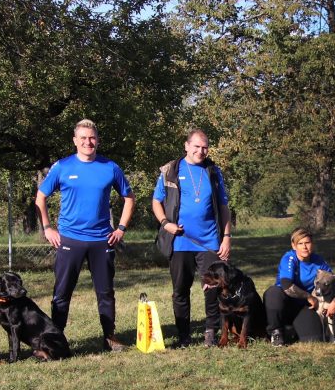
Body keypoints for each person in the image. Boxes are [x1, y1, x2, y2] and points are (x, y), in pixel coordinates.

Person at [35, 119, 135, 351]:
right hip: (70, 239)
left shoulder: (110, 167)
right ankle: (55, 342)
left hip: (102, 240)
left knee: (106, 293)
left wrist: (120, 228)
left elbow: (128, 199)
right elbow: (40, 198)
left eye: (92, 138)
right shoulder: (62, 167)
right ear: (75, 141)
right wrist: (48, 227)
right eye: (83, 138)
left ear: (97, 140)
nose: (88, 142)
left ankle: (110, 338)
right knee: (62, 293)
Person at [152, 129, 231, 348]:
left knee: (214, 287)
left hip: (209, 241)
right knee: (180, 290)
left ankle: (210, 333)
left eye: (205, 147)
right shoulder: (170, 171)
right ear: (186, 146)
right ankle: (184, 336)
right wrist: (165, 223)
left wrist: (226, 237)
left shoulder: (213, 172)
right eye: (196, 146)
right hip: (180, 242)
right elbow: (156, 201)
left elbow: (224, 207)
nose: (201, 151)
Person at [263, 228, 335, 346]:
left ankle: (290, 329)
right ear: (293, 246)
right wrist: (308, 297)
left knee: (314, 338)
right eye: (300, 243)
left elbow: (333, 282)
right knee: (273, 293)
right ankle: (275, 331)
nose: (304, 247)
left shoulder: (319, 261)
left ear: (312, 244)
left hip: (303, 306)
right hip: (283, 301)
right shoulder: (289, 258)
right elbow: (287, 285)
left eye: (307, 243)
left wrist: (334, 302)